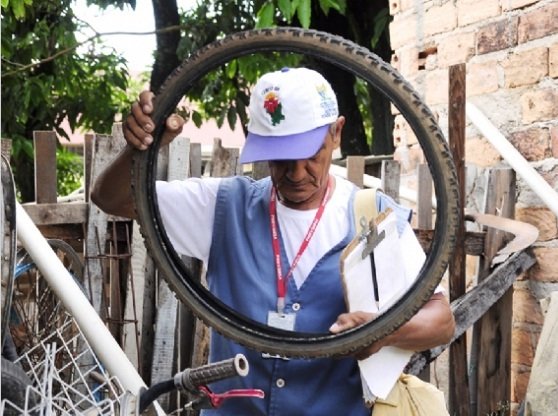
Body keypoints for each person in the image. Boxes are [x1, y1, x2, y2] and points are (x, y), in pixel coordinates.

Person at [91, 67, 455, 415]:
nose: (296, 173)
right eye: (279, 159)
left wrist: (384, 331)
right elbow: (112, 199)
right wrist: (141, 149)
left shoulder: (372, 217)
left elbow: (441, 320)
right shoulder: (221, 208)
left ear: (337, 132)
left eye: (310, 155)